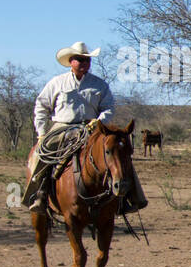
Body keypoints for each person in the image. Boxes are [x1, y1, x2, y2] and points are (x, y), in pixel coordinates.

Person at [24, 41, 148, 212]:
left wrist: (99, 121)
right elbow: (41, 106)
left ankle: (131, 197)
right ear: (71, 62)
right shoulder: (57, 83)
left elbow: (109, 108)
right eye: (80, 60)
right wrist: (42, 132)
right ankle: (39, 194)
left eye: (87, 60)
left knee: (118, 152)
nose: (84, 63)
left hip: (92, 129)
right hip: (62, 127)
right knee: (41, 152)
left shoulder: (99, 84)